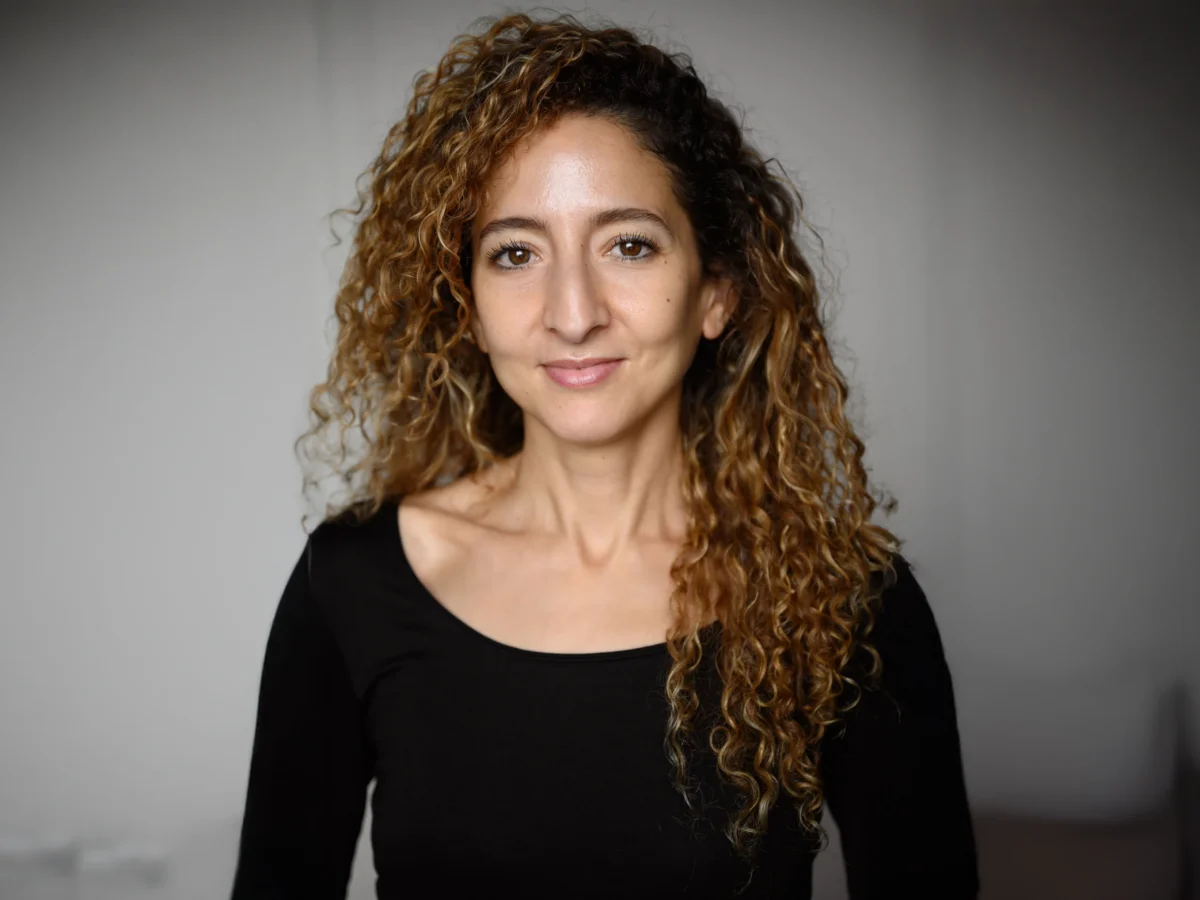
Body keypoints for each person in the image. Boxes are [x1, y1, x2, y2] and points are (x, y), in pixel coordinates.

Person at [230, 11, 978, 899]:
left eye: (629, 245)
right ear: (470, 307)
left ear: (715, 292)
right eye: (515, 254)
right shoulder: (350, 584)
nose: (574, 313)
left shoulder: (845, 599)